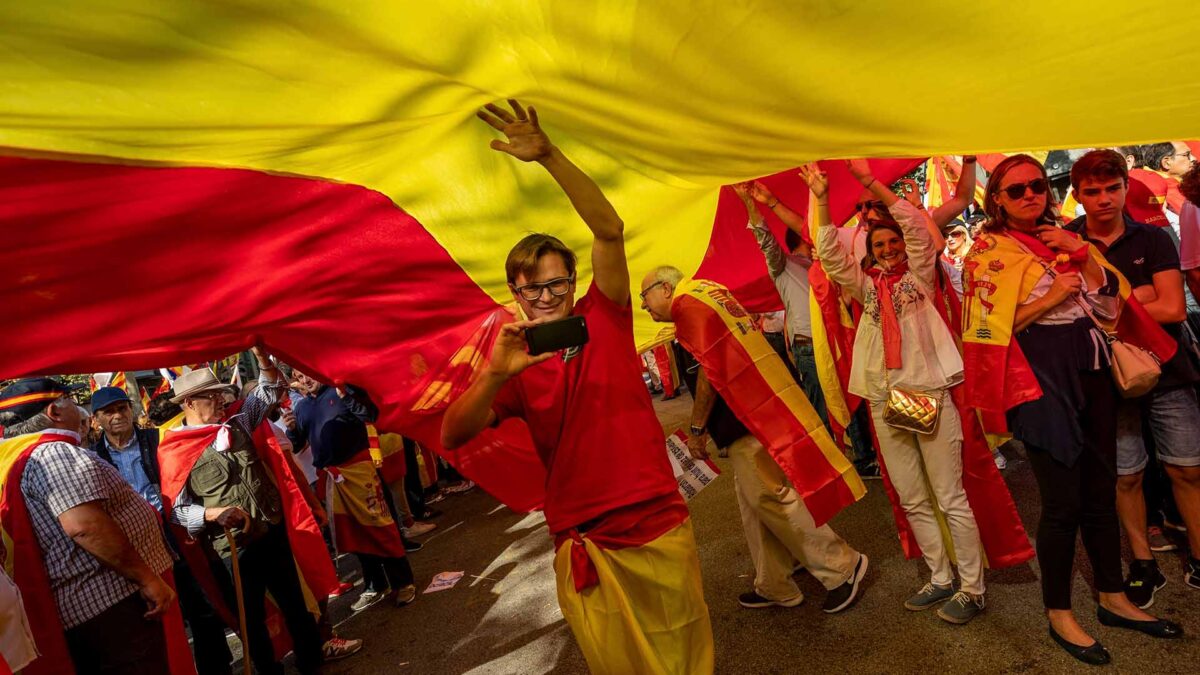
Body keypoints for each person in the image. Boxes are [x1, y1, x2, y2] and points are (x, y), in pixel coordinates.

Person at [442, 98, 713, 674]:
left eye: (554, 283)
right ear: (514, 294)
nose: (544, 297)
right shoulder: (510, 361)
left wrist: (551, 157)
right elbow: (453, 432)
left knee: (686, 657)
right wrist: (493, 375)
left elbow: (610, 230)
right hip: (584, 534)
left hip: (656, 517)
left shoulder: (606, 315)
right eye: (529, 289)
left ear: (572, 281)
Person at [963, 154, 1182, 665]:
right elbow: (982, 332)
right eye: (1015, 190)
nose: (1029, 196)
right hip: (1039, 377)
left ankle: (1113, 596)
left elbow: (1113, 302)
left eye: (1036, 186)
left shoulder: (1065, 236)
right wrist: (1048, 298)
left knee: (1101, 490)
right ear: (996, 198)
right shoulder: (987, 252)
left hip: (1091, 367)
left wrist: (1082, 257)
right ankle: (1059, 611)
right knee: (1061, 504)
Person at [814, 159, 988, 625]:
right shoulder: (865, 288)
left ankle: (972, 588)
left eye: (893, 242)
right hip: (886, 399)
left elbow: (915, 227)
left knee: (950, 497)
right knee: (913, 499)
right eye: (880, 244)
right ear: (868, 254)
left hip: (927, 392)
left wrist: (872, 183)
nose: (890, 249)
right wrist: (821, 198)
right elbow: (830, 254)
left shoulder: (920, 279)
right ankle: (939, 577)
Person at [641, 266, 869, 614]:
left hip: (746, 420)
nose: (644, 306)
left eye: (645, 296)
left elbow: (708, 368)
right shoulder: (707, 291)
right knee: (755, 505)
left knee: (772, 499)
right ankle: (773, 583)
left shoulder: (688, 304)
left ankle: (843, 566)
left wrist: (698, 428)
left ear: (666, 288)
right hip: (753, 413)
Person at [1065, 150, 1200, 603]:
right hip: (1105, 377)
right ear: (1078, 195)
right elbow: (1069, 316)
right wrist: (1140, 296)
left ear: (1125, 187)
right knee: (1126, 476)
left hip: (1167, 369)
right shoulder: (1065, 243)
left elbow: (1174, 309)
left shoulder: (1154, 237)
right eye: (1093, 191)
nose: (1104, 198)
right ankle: (1143, 563)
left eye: (1112, 188)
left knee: (1188, 468)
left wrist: (1107, 306)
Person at [159, 355, 329, 675]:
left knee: (294, 601)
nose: (222, 399)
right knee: (251, 619)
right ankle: (270, 670)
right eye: (212, 395)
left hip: (271, 527)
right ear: (189, 403)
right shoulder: (173, 449)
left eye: (221, 393)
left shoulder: (238, 421)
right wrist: (211, 514)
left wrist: (261, 356)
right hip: (233, 549)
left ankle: (312, 661)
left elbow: (271, 388)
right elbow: (177, 511)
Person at [0, 378, 183, 674]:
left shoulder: (20, 457)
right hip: (113, 609)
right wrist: (147, 578)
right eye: (71, 401)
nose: (79, 410)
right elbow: (84, 526)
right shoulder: (53, 453)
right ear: (54, 412)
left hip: (102, 611)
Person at [733, 180, 881, 479]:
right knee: (822, 405)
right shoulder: (783, 266)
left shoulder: (828, 266)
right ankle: (829, 466)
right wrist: (752, 204)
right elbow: (765, 241)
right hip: (810, 345)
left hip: (836, 341)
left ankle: (863, 459)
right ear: (804, 240)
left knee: (850, 398)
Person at [90, 385, 235, 675]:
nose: (117, 415)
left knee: (203, 609)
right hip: (133, 549)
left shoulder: (158, 440)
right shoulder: (92, 458)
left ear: (132, 411)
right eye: (109, 412)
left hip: (177, 537)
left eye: (122, 408)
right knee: (156, 620)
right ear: (96, 420)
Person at [289, 369, 418, 612]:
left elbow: (369, 415)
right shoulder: (302, 407)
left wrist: (346, 396)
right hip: (330, 478)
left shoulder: (340, 391)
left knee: (380, 528)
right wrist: (293, 429)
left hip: (359, 472)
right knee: (352, 535)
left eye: (307, 373)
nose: (305, 379)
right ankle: (374, 584)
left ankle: (403, 583)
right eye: (299, 376)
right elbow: (298, 444)